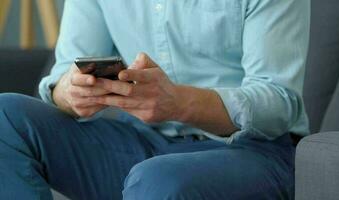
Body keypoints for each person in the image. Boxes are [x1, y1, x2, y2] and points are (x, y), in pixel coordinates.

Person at [0, 0, 310, 199]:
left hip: (251, 152)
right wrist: (69, 91)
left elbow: (279, 104)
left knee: (157, 179)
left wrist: (179, 102)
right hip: (139, 144)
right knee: (5, 116)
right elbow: (64, 75)